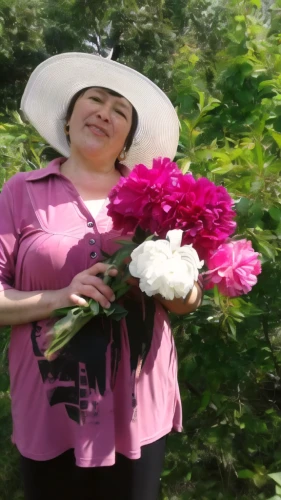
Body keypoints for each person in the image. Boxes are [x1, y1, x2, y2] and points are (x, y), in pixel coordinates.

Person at [0, 52, 202, 500]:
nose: (105, 113)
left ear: (128, 138)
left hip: (137, 407)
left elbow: (190, 299)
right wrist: (57, 297)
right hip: (50, 406)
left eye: (120, 111)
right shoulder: (21, 192)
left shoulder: (158, 197)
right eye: (94, 99)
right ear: (68, 119)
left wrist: (174, 279)